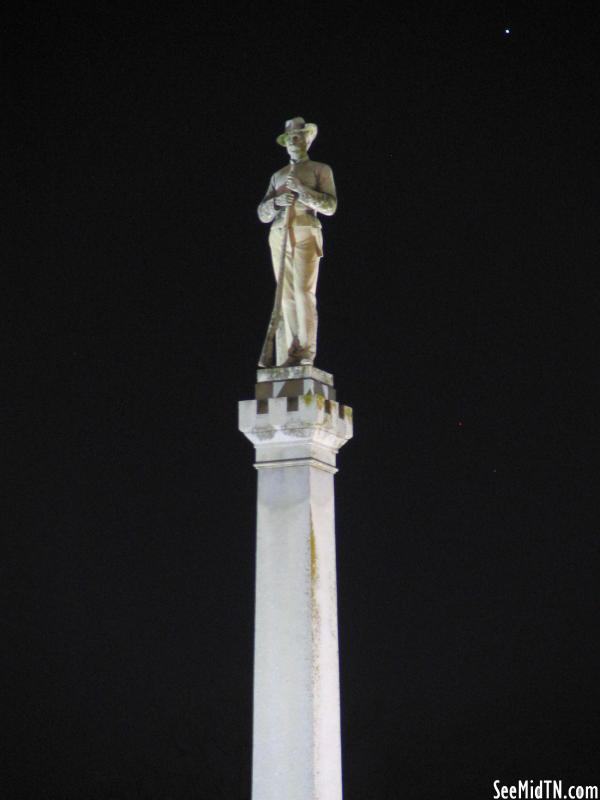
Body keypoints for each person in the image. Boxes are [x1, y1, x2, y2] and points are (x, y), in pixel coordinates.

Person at [258, 117, 337, 367]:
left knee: (303, 293)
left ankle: (306, 351)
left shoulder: (320, 169)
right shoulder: (277, 176)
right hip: (280, 233)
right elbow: (262, 213)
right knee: (286, 297)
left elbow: (330, 206)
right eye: (290, 137)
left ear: (307, 139)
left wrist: (303, 191)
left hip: (306, 228)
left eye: (298, 136)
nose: (294, 140)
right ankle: (289, 351)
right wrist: (275, 203)